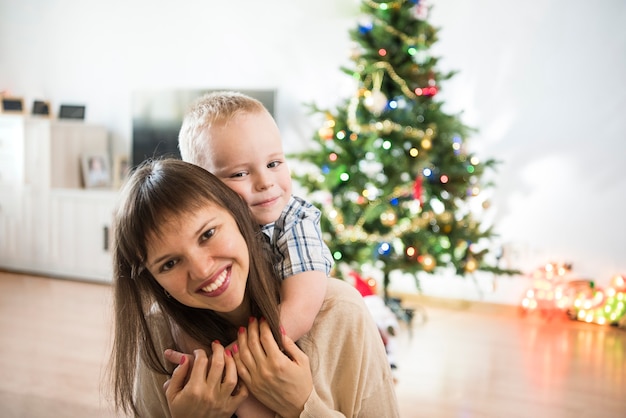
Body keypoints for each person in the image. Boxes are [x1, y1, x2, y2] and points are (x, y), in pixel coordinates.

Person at [107, 158, 399, 417]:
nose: (202, 269)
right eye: (169, 264)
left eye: (208, 234)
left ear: (239, 217)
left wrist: (302, 406)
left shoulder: (340, 311)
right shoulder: (158, 333)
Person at [178, 91, 333, 346]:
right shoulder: (202, 230)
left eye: (274, 164)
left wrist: (235, 360)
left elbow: (299, 312)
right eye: (239, 174)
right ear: (201, 185)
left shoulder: (294, 221)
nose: (265, 182)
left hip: (277, 349)